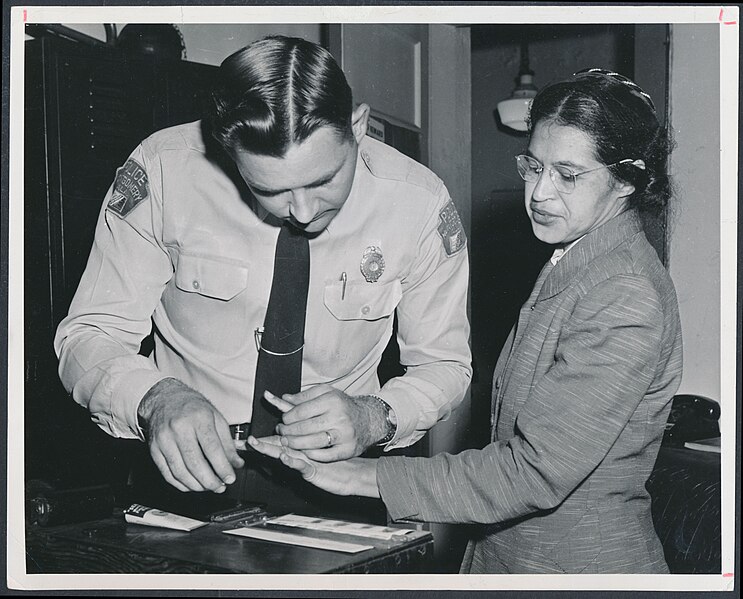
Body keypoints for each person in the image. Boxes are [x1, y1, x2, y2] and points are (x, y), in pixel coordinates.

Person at [250, 68, 683, 573]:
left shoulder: (623, 292)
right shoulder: (581, 259)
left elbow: (534, 472)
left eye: (568, 175)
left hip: (578, 566)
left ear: (626, 180)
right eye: (533, 166)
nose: (540, 193)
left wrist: (360, 477)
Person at [54, 35, 471, 512]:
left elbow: (446, 364)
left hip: (342, 478)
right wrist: (155, 398)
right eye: (270, 190)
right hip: (186, 473)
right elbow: (89, 334)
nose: (304, 211)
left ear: (358, 125)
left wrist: (375, 416)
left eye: (323, 180)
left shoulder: (418, 203)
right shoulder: (164, 171)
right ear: (226, 150)